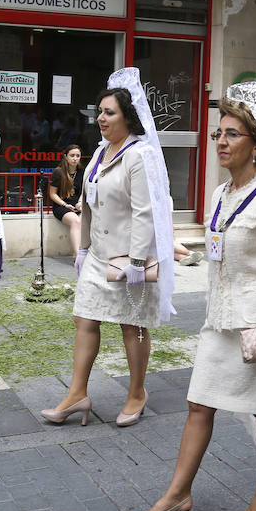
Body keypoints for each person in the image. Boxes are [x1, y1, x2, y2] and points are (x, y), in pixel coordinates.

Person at [125, 82, 256, 511]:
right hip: (219, 319)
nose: (221, 143)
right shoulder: (219, 195)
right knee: (198, 404)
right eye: (218, 134)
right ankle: (177, 495)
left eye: (232, 134)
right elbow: (221, 247)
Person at [40, 68, 175, 428]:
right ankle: (77, 393)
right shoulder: (100, 153)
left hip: (128, 259)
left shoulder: (139, 155)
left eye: (109, 112)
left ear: (128, 117)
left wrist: (135, 262)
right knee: (84, 319)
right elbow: (88, 203)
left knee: (133, 327)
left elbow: (145, 212)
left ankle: (136, 393)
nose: (101, 118)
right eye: (99, 111)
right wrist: (82, 249)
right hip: (98, 256)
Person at [49, 145, 84, 257]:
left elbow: (84, 191)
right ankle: (78, 255)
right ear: (66, 157)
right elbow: (52, 194)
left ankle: (83, 253)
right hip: (62, 206)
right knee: (76, 221)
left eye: (77, 156)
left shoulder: (82, 172)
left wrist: (79, 202)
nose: (75, 158)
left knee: (86, 219)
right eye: (72, 155)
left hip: (77, 205)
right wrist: (65, 204)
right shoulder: (59, 172)